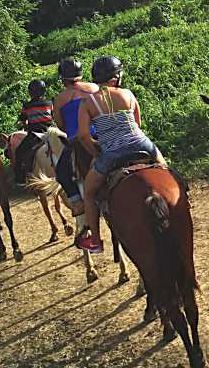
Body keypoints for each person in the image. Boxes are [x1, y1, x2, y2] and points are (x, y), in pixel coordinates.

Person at [75, 56, 162, 254]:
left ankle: (95, 241)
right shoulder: (128, 94)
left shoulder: (88, 102)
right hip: (141, 144)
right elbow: (138, 124)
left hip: (112, 152)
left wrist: (96, 152)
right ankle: (186, 198)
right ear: (117, 77)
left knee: (88, 193)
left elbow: (82, 135)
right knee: (166, 169)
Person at [51, 58, 98, 212]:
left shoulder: (59, 99)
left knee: (62, 172)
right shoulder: (94, 87)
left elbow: (61, 125)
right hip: (102, 133)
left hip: (78, 140)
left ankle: (77, 202)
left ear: (63, 78)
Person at [13, 79, 54, 186]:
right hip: (50, 133)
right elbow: (53, 117)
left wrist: (25, 125)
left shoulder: (27, 106)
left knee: (19, 152)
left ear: (30, 92)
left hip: (35, 135)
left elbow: (22, 120)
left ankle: (20, 179)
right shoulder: (49, 103)